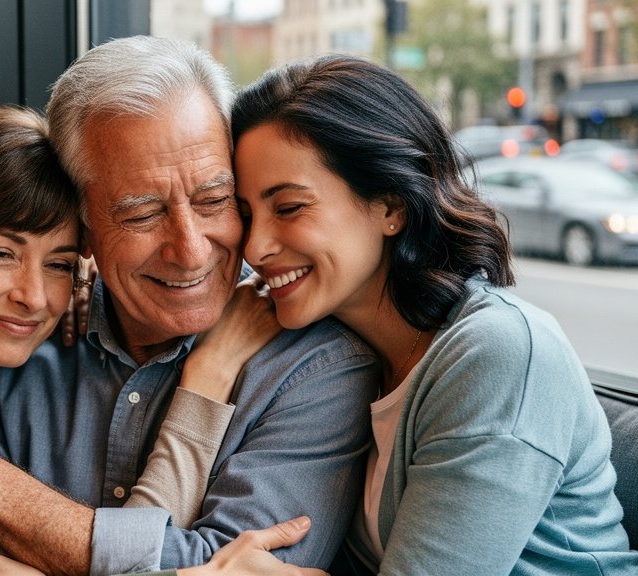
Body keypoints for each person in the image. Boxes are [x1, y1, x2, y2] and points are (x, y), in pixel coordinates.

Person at [0, 35, 379, 575]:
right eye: (142, 214)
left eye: (214, 200)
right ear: (85, 225)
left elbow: (262, 569)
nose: (190, 251)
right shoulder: (13, 346)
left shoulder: (316, 365)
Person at [230, 54, 638, 575]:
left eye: (288, 207)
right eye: (246, 214)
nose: (255, 247)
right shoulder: (335, 352)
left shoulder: (496, 353)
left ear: (391, 206)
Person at [0, 104, 283, 559]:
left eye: (58, 265)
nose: (33, 297)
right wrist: (208, 377)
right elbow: (112, 562)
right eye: (0, 254)